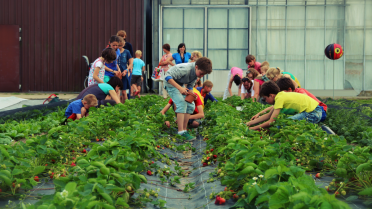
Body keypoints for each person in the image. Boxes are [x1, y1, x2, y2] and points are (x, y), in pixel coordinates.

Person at [164, 57, 212, 140]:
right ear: (196, 67)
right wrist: (180, 88)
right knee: (181, 103)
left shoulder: (195, 74)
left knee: (191, 105)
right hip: (170, 84)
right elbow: (167, 77)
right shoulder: (185, 69)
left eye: (203, 75)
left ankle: (184, 130)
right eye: (201, 73)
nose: (201, 76)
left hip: (180, 84)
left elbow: (190, 85)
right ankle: (180, 132)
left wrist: (192, 94)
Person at [247, 81, 323, 130]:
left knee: (283, 124)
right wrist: (250, 123)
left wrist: (253, 128)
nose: (266, 101)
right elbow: (268, 116)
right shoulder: (280, 96)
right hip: (314, 111)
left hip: (314, 112)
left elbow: (271, 121)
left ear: (271, 95)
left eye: (265, 98)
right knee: (284, 124)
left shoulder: (279, 98)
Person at [250, 77, 328, 121]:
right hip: (313, 111)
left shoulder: (299, 91)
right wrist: (260, 113)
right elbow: (274, 107)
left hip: (320, 110)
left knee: (289, 121)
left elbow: (305, 102)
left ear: (289, 89)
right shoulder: (284, 96)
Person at [117, 37, 133, 103]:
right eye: (118, 45)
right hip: (116, 73)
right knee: (117, 91)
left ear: (123, 45)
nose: (119, 47)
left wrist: (127, 70)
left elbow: (131, 63)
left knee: (124, 92)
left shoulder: (127, 52)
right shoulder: (114, 52)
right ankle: (118, 105)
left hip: (124, 73)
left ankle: (126, 106)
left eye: (121, 45)